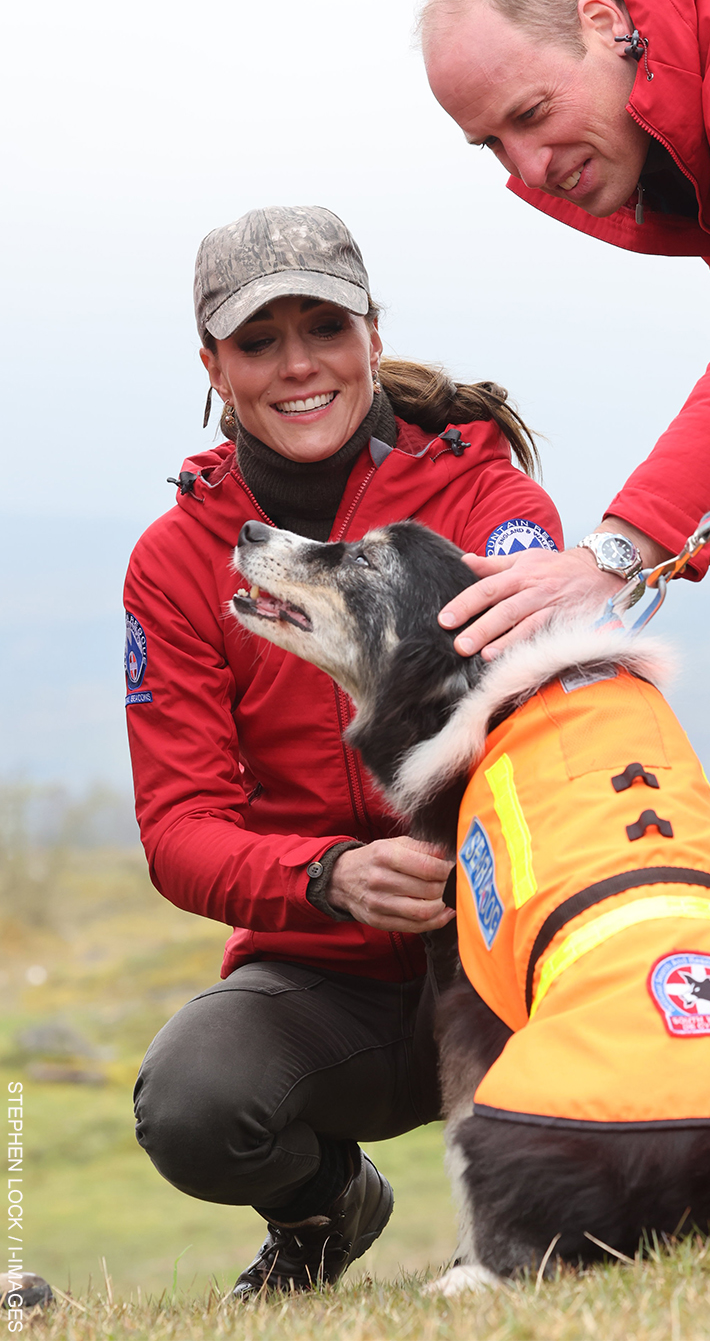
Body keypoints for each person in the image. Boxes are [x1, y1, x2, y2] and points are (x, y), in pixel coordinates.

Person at [124, 205, 561, 1295]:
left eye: (324, 326)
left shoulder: (487, 502)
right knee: (193, 1102)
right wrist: (326, 876)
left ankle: (524, 1224)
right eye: (259, 341)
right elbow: (180, 831)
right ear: (213, 365)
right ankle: (328, 1210)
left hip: (515, 952)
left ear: (373, 331)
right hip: (336, 980)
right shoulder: (176, 563)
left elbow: (552, 723)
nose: (298, 364)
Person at [421, 0, 710, 660]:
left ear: (603, 23)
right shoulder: (688, 78)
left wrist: (615, 556)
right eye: (494, 145)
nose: (529, 167)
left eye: (531, 113)